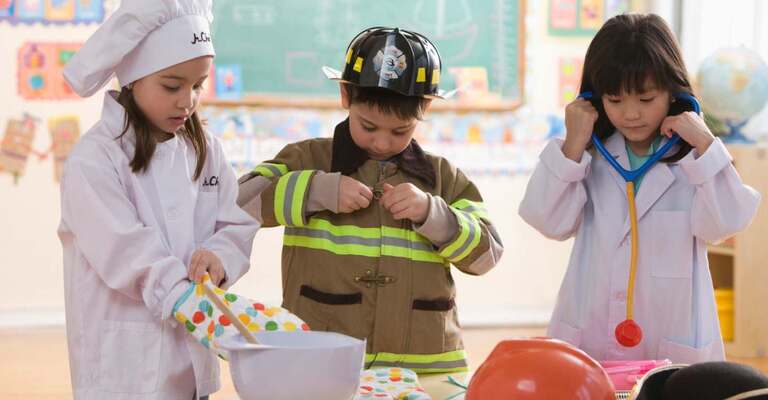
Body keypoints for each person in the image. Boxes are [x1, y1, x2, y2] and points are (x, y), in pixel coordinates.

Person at [237, 27, 504, 374]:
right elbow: (239, 203)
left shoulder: (443, 177)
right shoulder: (307, 158)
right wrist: (317, 190)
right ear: (346, 96)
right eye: (368, 126)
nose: (381, 143)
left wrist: (432, 214)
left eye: (400, 131)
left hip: (426, 367)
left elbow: (486, 257)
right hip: (326, 360)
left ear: (424, 108)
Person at [519, 13, 760, 364]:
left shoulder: (693, 160)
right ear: (593, 97)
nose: (630, 114)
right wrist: (572, 144)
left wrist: (706, 143)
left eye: (646, 99)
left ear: (673, 91)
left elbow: (727, 222)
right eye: (614, 100)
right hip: (591, 331)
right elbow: (547, 221)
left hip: (672, 335)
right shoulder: (585, 154)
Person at [58, 1, 259, 398]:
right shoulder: (93, 159)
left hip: (191, 363)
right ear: (134, 79)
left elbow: (234, 222)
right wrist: (180, 294)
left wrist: (219, 256)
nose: (188, 100)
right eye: (172, 86)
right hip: (126, 370)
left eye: (198, 85)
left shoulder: (206, 149)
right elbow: (125, 248)